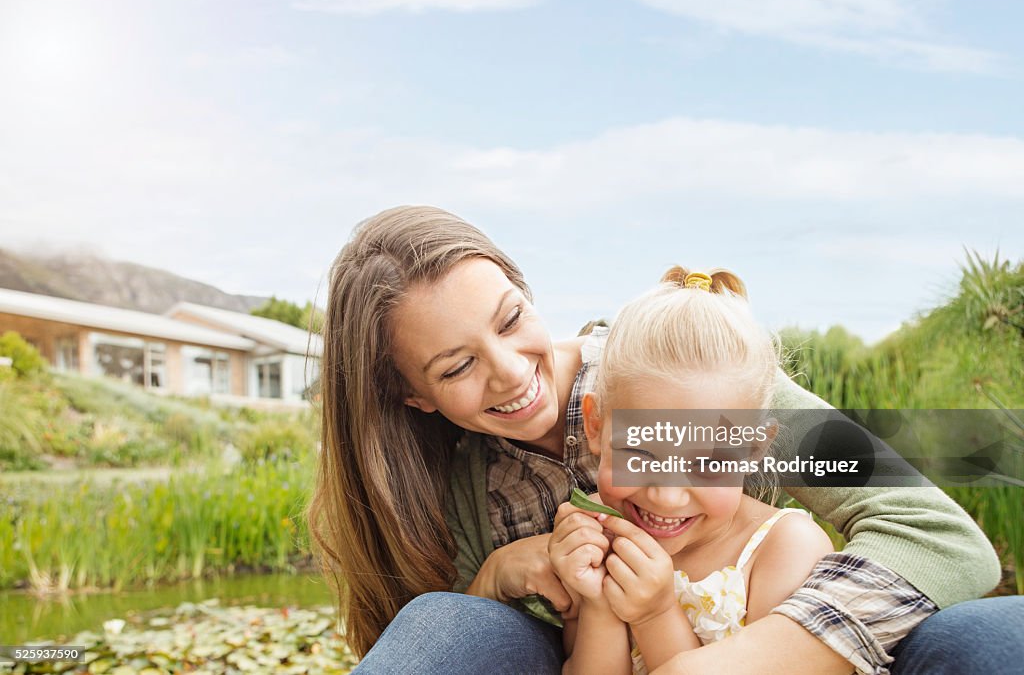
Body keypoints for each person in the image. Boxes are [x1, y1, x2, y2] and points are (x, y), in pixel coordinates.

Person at [306, 205, 1014, 674]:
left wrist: (738, 658)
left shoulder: (688, 370)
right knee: (440, 622)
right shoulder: (453, 478)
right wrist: (492, 581)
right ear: (409, 395)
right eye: (456, 366)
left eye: (511, 317)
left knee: (987, 639)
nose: (510, 370)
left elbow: (938, 538)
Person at [550, 268, 835, 674]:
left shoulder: (786, 550)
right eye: (641, 455)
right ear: (595, 426)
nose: (666, 496)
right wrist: (597, 603)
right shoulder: (596, 529)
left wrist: (655, 614)